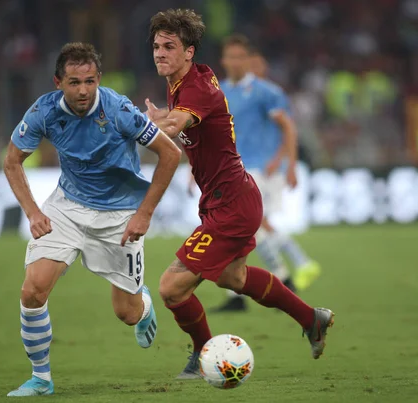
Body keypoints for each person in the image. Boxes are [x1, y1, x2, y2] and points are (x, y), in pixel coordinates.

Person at [144, 9, 334, 379]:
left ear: (189, 52)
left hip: (232, 204)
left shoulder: (196, 88)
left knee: (171, 287)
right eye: (155, 46)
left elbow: (176, 123)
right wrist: (164, 117)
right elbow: (183, 120)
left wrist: (151, 122)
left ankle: (202, 355)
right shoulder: (189, 78)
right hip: (227, 198)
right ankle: (311, 318)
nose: (159, 53)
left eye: (169, 46)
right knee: (233, 277)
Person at [3, 42, 181, 396]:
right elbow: (12, 161)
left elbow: (171, 154)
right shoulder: (43, 112)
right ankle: (42, 378)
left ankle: (142, 304)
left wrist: (144, 213)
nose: (82, 90)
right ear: (58, 83)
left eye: (88, 81)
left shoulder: (119, 110)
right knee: (33, 290)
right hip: (67, 208)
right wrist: (34, 212)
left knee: (126, 313)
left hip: (119, 217)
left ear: (98, 79)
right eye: (73, 82)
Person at [211, 34, 322, 313]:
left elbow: (288, 127)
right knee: (246, 227)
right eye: (230, 56)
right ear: (223, 60)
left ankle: (284, 273)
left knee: (251, 225)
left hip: (260, 170)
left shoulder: (266, 92)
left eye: (240, 56)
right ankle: (284, 276)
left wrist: (289, 163)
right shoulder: (219, 91)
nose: (235, 61)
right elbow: (213, 133)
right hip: (232, 170)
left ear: (247, 60)